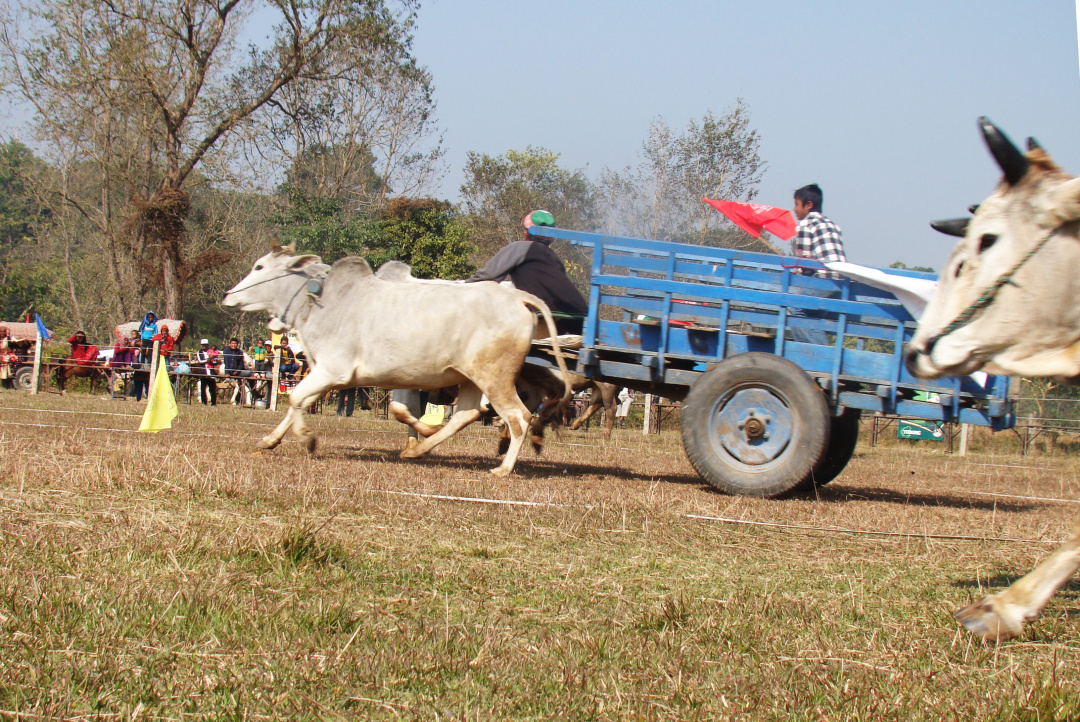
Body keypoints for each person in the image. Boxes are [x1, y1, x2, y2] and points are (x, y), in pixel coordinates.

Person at [465, 209, 588, 335]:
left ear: (527, 233)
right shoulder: (553, 257)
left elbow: (488, 275)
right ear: (551, 239)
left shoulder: (520, 248)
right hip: (580, 317)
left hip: (549, 316)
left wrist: (462, 286)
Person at [790, 184, 846, 345]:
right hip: (841, 280)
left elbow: (805, 262)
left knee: (795, 307)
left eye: (797, 204)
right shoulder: (831, 224)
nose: (794, 209)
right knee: (811, 315)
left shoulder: (806, 224)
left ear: (808, 205)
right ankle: (816, 351)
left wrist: (797, 271)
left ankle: (819, 352)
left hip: (824, 279)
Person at [194, 338, 218, 405]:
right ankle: (204, 402)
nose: (204, 346)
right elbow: (200, 361)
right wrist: (208, 360)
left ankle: (213, 403)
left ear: (207, 345)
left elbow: (216, 360)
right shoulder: (199, 353)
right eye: (203, 345)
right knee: (203, 388)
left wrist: (213, 360)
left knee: (212, 389)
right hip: (203, 373)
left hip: (211, 373)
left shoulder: (211, 352)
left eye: (205, 345)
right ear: (201, 345)